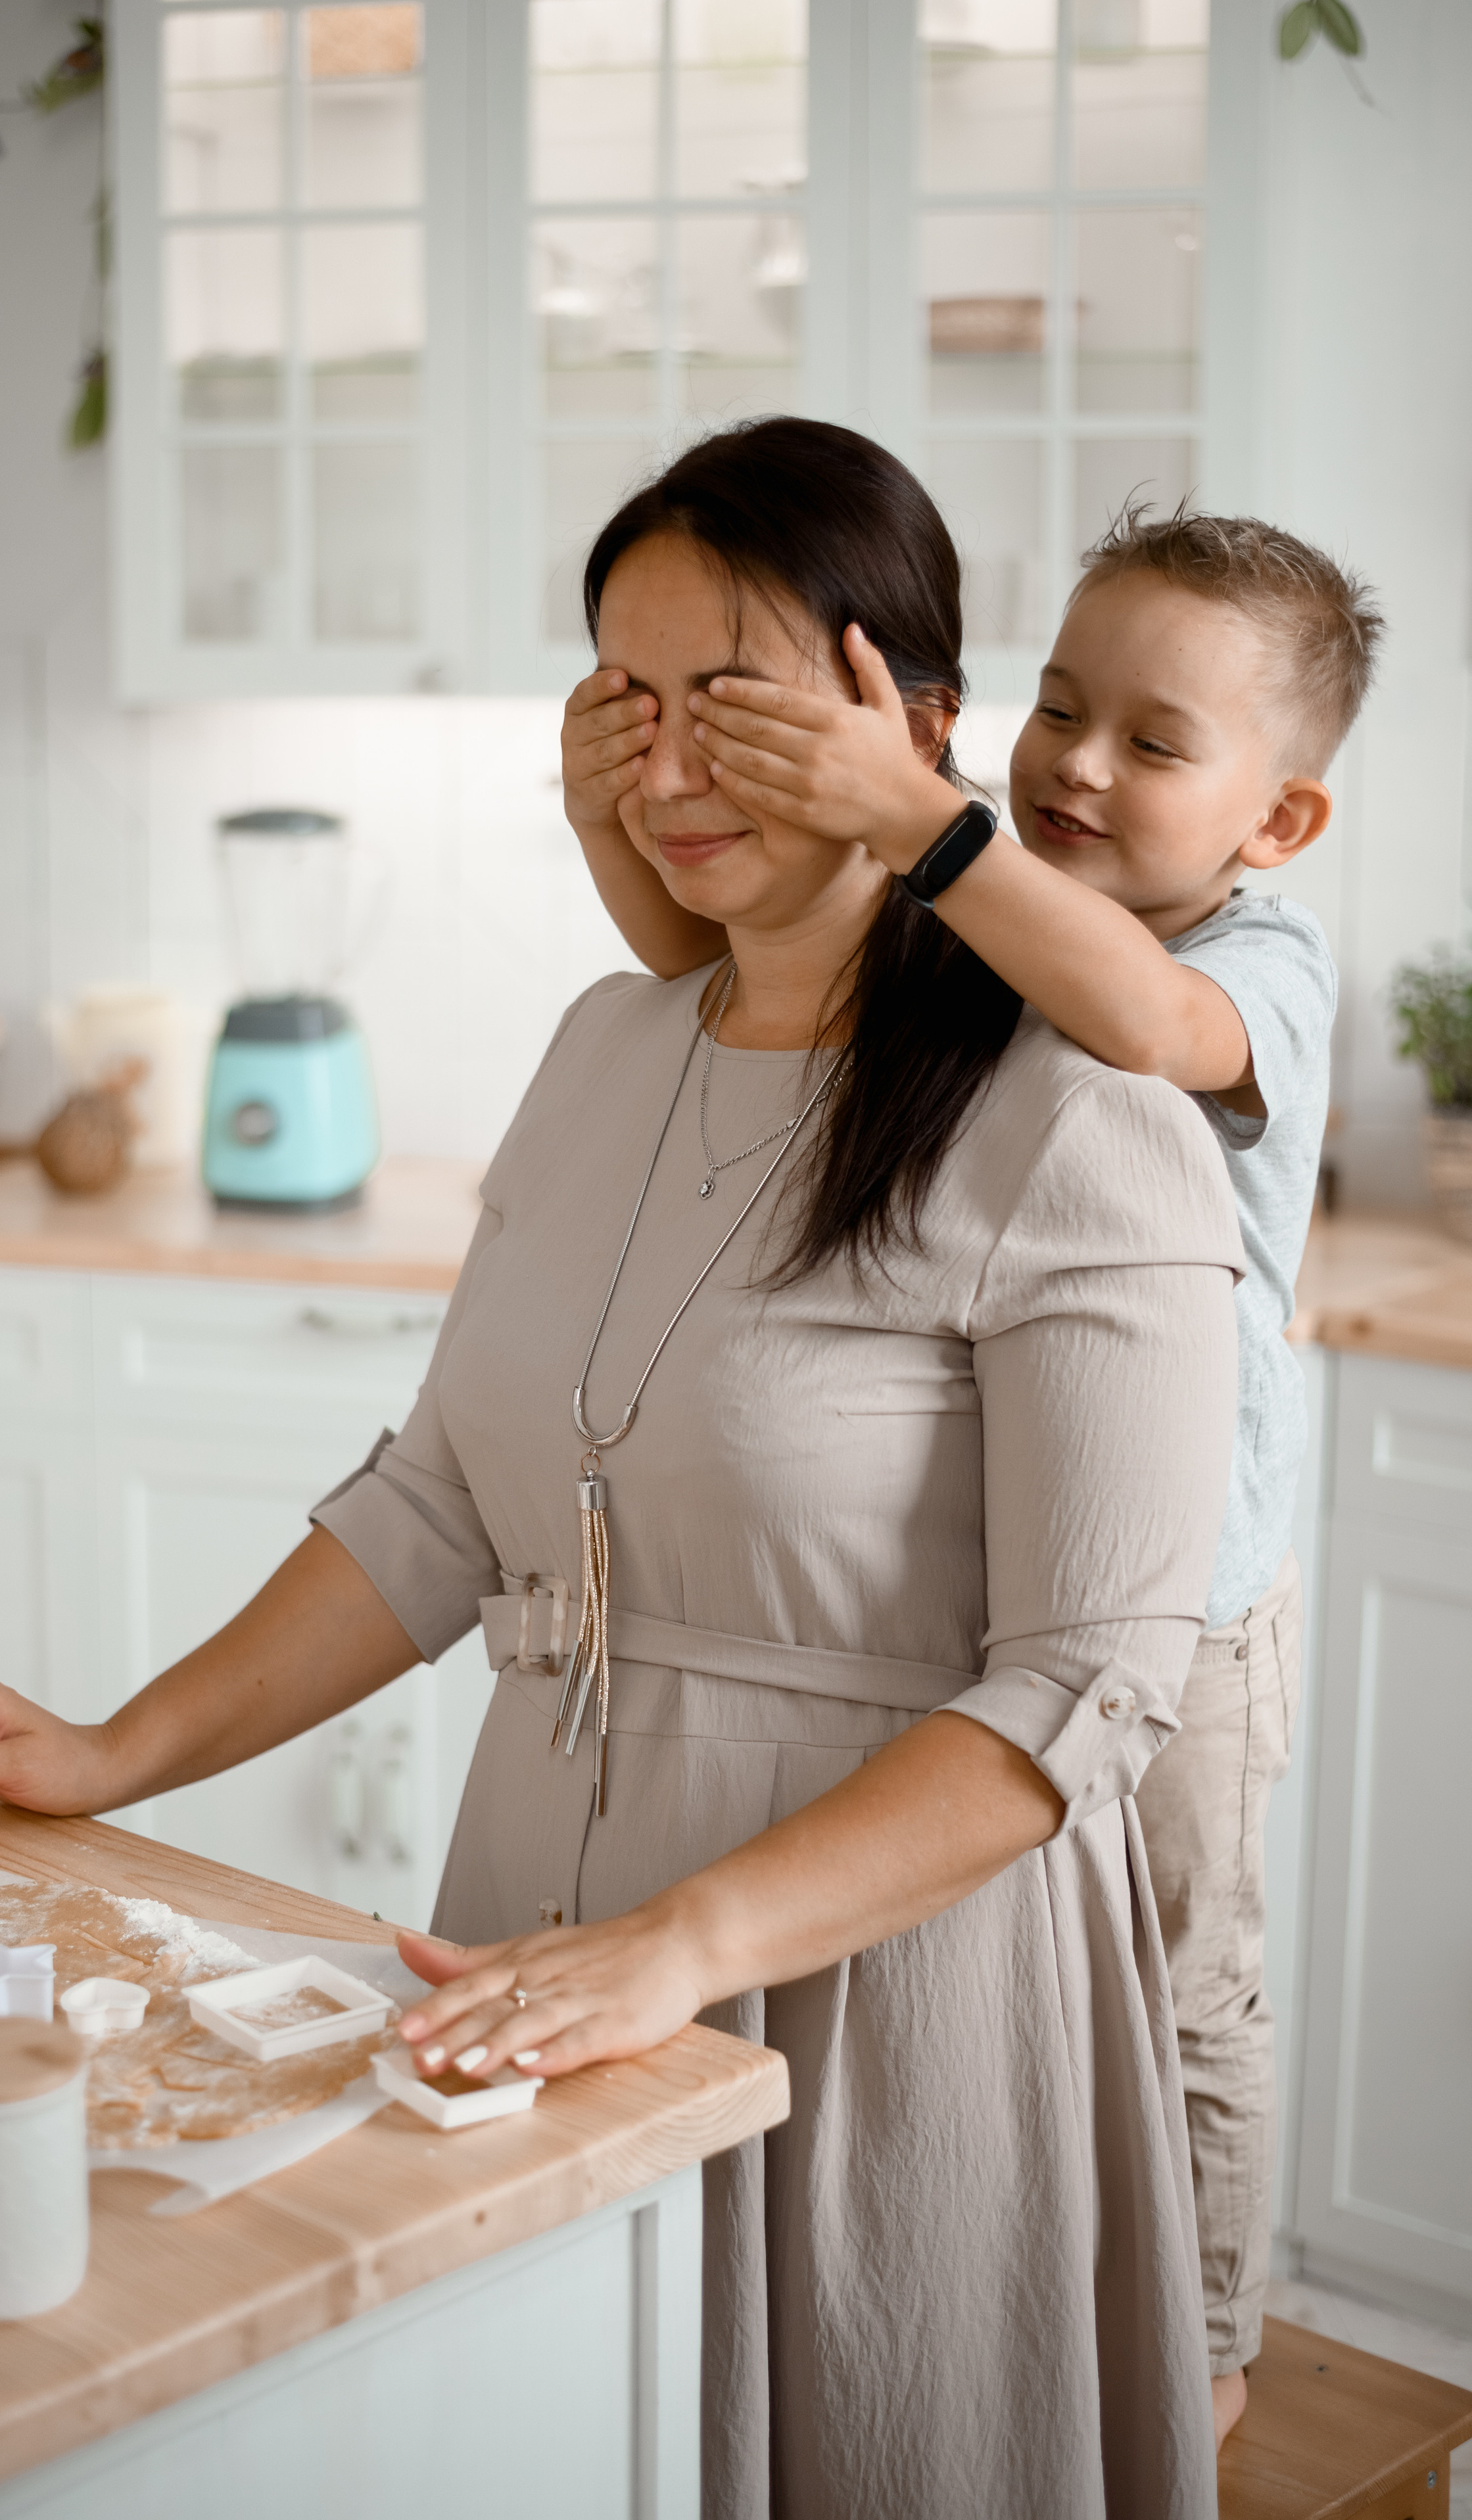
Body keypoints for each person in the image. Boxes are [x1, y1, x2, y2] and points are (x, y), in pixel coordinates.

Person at [0, 420, 1241, 2520]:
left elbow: (1075, 1697)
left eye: (732, 703)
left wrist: (689, 1942)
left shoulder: (1081, 1119)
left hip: (883, 1998)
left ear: (909, 717)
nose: (665, 772)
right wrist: (118, 1746)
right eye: (626, 702)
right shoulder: (605, 1052)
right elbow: (441, 1507)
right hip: (540, 1937)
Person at [571, 491, 1383, 2449]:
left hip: (1186, 1598)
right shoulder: (989, 892)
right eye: (1057, 705)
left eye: (1158, 742)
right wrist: (618, 814)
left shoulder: (1255, 958)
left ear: (1277, 822)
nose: (1079, 766)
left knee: (1184, 1973)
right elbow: (705, 954)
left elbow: (1150, 1021)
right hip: (1033, 1580)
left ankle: (1205, 2341)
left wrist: (931, 821)